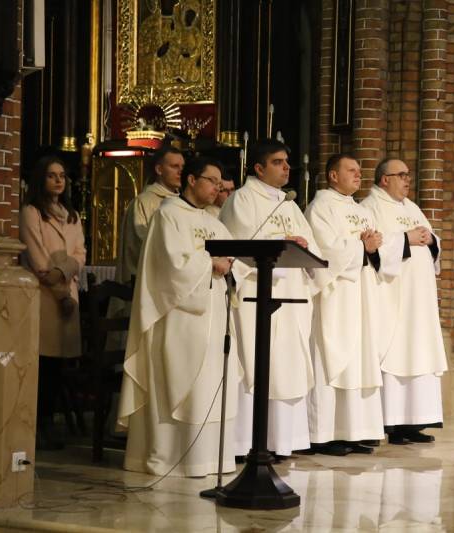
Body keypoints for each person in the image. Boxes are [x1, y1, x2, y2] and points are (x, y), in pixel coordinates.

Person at [117, 156, 241, 477]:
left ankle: (209, 459)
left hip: (213, 315)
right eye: (211, 181)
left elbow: (232, 261)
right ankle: (171, 458)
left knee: (209, 385)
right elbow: (169, 267)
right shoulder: (168, 215)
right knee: (179, 381)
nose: (217, 189)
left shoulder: (214, 222)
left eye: (220, 184)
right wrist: (209, 264)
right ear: (191, 180)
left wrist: (229, 265)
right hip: (179, 317)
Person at [219, 139, 317, 459]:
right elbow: (239, 246)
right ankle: (247, 443)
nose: (287, 167)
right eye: (278, 162)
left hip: (289, 294)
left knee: (285, 365)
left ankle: (281, 441)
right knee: (257, 363)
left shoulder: (288, 204)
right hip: (256, 294)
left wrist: (301, 245)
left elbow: (312, 249)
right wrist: (281, 240)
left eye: (287, 161)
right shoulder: (242, 199)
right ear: (259, 168)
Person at [304, 153, 402, 455]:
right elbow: (325, 251)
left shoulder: (360, 210)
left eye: (359, 171)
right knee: (333, 359)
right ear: (333, 175)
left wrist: (373, 247)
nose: (358, 175)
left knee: (360, 360)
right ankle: (326, 434)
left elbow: (380, 249)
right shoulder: (320, 207)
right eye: (351, 170)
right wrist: (362, 246)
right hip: (337, 296)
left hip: (362, 295)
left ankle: (356, 431)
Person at [361, 157, 447, 444]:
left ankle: (414, 422)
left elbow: (431, 238)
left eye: (408, 175)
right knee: (397, 353)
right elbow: (373, 249)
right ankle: (394, 423)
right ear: (385, 179)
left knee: (419, 351)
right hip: (393, 296)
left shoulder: (411, 207)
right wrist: (405, 238)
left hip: (419, 299)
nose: (408, 180)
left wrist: (431, 240)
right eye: (402, 175)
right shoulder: (370, 207)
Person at [19, 156, 86, 450]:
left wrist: (64, 270)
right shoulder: (31, 212)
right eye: (51, 175)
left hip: (66, 290)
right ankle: (38, 423)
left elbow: (80, 253)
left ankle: (48, 421)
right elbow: (37, 258)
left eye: (62, 175)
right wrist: (60, 289)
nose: (59, 180)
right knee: (42, 362)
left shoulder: (72, 215)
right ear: (40, 179)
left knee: (58, 364)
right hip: (46, 295)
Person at [114, 146, 185, 285]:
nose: (180, 172)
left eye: (182, 167)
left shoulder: (184, 203)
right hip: (149, 280)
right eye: (174, 166)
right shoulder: (144, 202)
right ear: (159, 170)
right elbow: (143, 244)